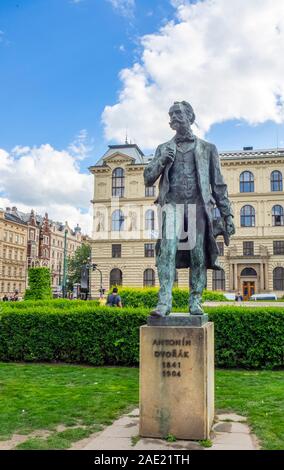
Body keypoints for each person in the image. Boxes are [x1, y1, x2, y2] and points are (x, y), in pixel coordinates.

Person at [144, 100, 235, 317]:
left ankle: (195, 300)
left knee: (197, 254)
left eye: (178, 113)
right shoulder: (163, 148)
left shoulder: (208, 149)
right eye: (171, 114)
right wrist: (160, 162)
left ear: (190, 117)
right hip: (172, 206)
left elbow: (219, 185)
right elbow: (148, 178)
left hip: (197, 206)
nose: (173, 117)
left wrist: (227, 215)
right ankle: (164, 301)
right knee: (166, 250)